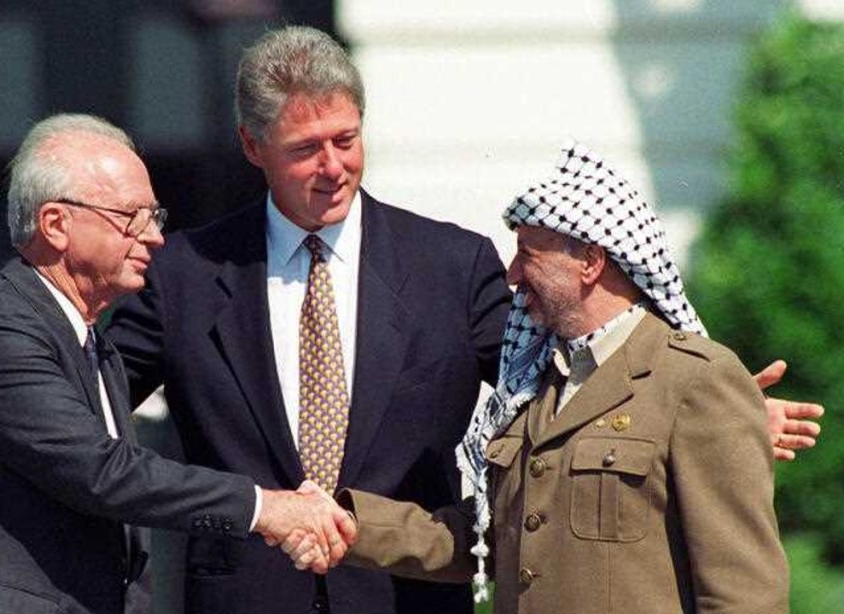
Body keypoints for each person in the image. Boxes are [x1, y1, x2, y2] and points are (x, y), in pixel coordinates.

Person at [0, 25, 821, 614]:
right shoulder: (185, 272)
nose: (333, 164)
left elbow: (557, 377)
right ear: (254, 147)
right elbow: (79, 427)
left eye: (347, 138)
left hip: (404, 597)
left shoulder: (450, 262)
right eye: (306, 147)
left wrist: (704, 410)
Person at [0, 113, 354, 614]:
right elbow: (100, 472)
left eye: (155, 217)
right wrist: (266, 509)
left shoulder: (94, 345)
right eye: (131, 216)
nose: (153, 235)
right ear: (56, 224)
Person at [307, 142, 789, 613]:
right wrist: (348, 523)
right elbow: (489, 540)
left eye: (528, 255)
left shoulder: (694, 383)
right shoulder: (534, 386)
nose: (512, 275)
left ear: (590, 263)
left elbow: (744, 593)